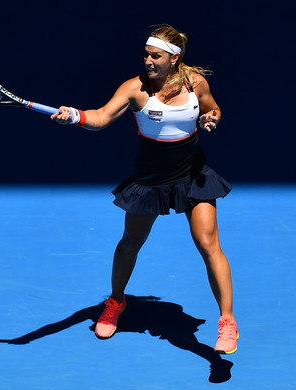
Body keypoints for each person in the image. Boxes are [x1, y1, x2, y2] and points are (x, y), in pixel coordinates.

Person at [51, 25, 238, 355]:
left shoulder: (196, 83)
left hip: (193, 175)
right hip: (150, 180)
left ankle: (227, 321)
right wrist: (76, 117)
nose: (148, 60)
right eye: (146, 54)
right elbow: (102, 117)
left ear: (174, 58)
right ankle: (116, 301)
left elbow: (212, 108)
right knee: (130, 243)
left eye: (156, 56)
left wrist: (212, 119)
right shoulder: (136, 89)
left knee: (208, 244)